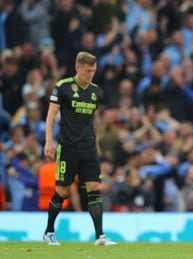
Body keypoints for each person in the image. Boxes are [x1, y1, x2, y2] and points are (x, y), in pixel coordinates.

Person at [42, 51, 116, 246]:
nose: (91, 74)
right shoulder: (63, 87)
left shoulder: (95, 91)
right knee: (62, 191)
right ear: (78, 68)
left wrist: (97, 144)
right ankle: (49, 231)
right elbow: (50, 117)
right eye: (88, 70)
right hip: (68, 147)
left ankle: (100, 236)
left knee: (94, 188)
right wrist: (48, 141)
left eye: (94, 70)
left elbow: (95, 121)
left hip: (88, 148)